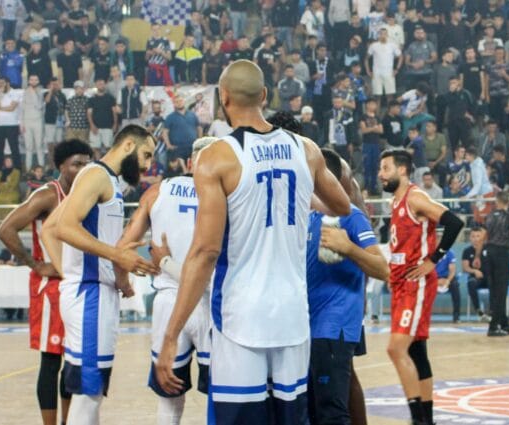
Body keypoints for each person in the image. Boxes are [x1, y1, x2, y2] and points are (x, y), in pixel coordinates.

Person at [154, 60, 350, 424]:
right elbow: (342, 205)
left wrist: (170, 336)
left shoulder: (216, 157)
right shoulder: (306, 149)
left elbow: (206, 252)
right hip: (292, 316)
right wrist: (294, 191)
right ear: (264, 95)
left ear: (223, 97)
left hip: (240, 318)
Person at [40, 125, 158, 425]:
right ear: (128, 145)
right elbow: (64, 227)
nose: (147, 165)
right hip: (89, 297)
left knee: (91, 391)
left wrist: (112, 274)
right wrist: (113, 257)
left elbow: (50, 228)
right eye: (146, 155)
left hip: (93, 293)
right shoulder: (96, 175)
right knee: (88, 393)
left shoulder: (107, 180)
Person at [114, 138, 214, 425]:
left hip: (169, 300)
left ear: (190, 162)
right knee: (221, 394)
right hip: (211, 300)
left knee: (168, 397)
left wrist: (124, 281)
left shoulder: (157, 191)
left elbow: (123, 246)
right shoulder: (227, 193)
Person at [0, 140, 93, 425]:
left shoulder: (87, 195)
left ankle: (67, 421)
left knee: (73, 361)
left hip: (76, 284)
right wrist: (35, 264)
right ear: (61, 166)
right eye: (76, 164)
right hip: (50, 288)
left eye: (86, 164)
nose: (82, 169)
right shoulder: (48, 195)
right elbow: (5, 229)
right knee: (51, 361)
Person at [377, 148, 465, 425]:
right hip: (401, 282)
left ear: (402, 170)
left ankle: (418, 419)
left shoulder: (415, 197)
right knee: (416, 352)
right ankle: (427, 418)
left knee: (395, 349)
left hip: (416, 284)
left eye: (385, 168)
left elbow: (454, 222)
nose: (380, 174)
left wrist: (433, 260)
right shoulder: (395, 201)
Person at [305, 148, 389, 424]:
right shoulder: (306, 215)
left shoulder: (351, 215)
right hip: (304, 329)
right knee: (312, 411)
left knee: (332, 411)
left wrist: (348, 248)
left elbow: (383, 269)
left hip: (333, 327)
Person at [481, 191, 509, 336]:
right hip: (501, 254)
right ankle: (493, 326)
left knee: (495, 291)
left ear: (496, 201)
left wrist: (477, 255)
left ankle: (504, 323)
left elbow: (482, 237)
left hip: (488, 254)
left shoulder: (489, 216)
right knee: (501, 291)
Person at [0, 76, 23, 167]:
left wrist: (0, 108)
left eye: (2, 83)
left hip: (12, 124)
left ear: (8, 83)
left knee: (14, 148)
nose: (1, 85)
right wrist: (0, 95)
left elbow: (11, 108)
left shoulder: (15, 93)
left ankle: (17, 168)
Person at [463, 227, 489, 322]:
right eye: (473, 236)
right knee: (471, 283)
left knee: (496, 283)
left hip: (488, 278)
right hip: (476, 279)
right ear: (470, 238)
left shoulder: (487, 249)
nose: (475, 238)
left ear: (482, 237)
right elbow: (465, 268)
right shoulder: (467, 251)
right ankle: (479, 311)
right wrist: (474, 271)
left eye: (478, 236)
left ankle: (493, 311)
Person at [20, 75, 45, 169]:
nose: (33, 81)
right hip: (27, 122)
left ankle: (41, 168)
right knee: (28, 147)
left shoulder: (40, 92)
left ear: (38, 81)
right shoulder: (25, 92)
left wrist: (34, 93)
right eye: (31, 80)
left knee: (39, 146)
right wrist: (22, 124)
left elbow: (39, 106)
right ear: (29, 81)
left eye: (35, 80)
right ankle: (28, 169)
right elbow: (22, 109)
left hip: (38, 121)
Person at [435, 249, 459, 323]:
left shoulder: (450, 253)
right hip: (434, 277)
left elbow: (452, 271)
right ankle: (423, 316)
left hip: (447, 277)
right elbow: (428, 270)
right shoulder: (430, 251)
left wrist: (447, 281)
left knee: (455, 285)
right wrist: (436, 281)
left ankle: (456, 317)